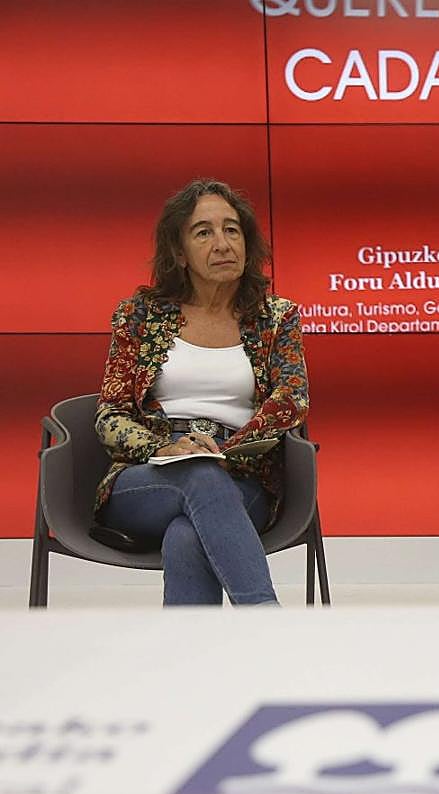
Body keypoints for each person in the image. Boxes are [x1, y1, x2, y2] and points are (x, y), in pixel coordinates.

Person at [93, 179, 309, 606]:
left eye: (232, 230)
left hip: (241, 474)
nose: (223, 243)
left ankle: (188, 667)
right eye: (204, 232)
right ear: (178, 253)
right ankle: (269, 623)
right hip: (150, 475)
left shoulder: (275, 318)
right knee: (198, 476)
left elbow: (290, 401)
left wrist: (225, 452)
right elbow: (110, 414)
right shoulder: (140, 315)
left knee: (187, 535)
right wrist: (166, 449)